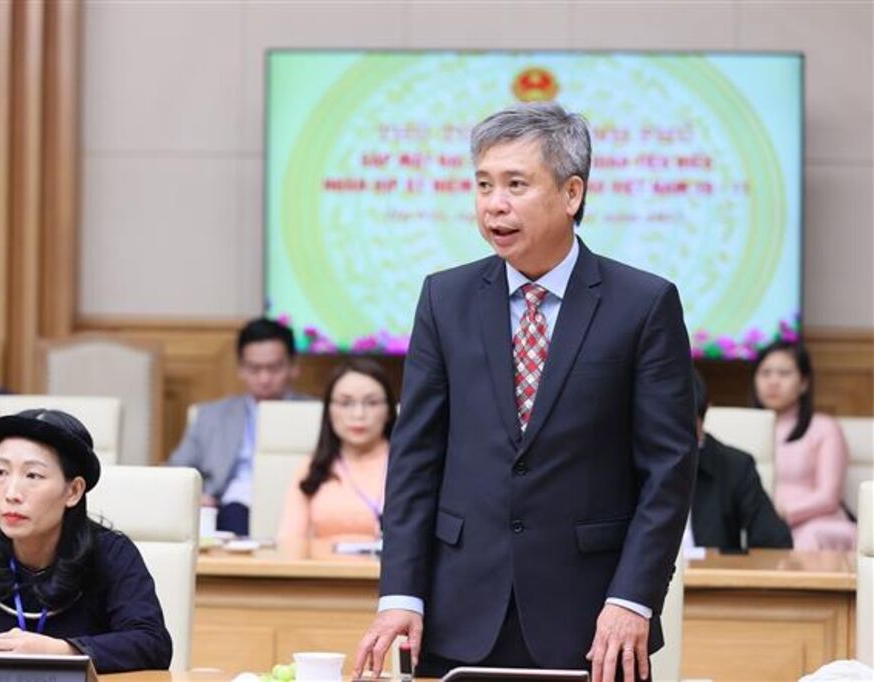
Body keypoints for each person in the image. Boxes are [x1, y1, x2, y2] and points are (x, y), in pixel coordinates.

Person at [354, 102, 697, 682]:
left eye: (516, 184)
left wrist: (632, 599)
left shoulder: (643, 305)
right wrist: (401, 594)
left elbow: (668, 469)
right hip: (457, 613)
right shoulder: (445, 298)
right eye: (483, 184)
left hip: (594, 621)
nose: (494, 204)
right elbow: (415, 459)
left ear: (571, 193)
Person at [0, 408, 172, 673]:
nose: (11, 493)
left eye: (33, 475)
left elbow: (152, 643)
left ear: (73, 491)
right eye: (1, 472)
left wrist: (60, 652)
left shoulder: (112, 555)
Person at [168, 317, 309, 535]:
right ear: (240, 369)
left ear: (293, 367)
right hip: (230, 508)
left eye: (274, 368)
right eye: (254, 369)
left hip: (296, 505)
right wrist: (197, 495)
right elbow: (176, 469)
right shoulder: (211, 415)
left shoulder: (316, 413)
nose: (264, 378)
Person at [277, 359, 397, 557]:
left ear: (389, 411)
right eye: (345, 403)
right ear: (329, 410)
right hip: (325, 571)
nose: (358, 414)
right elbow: (289, 540)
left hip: (392, 572)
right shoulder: (312, 467)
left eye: (372, 403)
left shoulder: (408, 464)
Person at [753, 341, 857, 550]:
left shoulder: (824, 427)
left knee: (808, 538)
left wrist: (780, 513)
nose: (773, 381)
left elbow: (829, 497)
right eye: (765, 373)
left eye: (784, 373)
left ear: (804, 383)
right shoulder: (743, 428)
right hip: (759, 526)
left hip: (818, 524)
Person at [688, 370, 792, 551]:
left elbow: (774, 543)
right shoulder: (637, 461)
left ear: (702, 416)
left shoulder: (734, 466)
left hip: (711, 569)